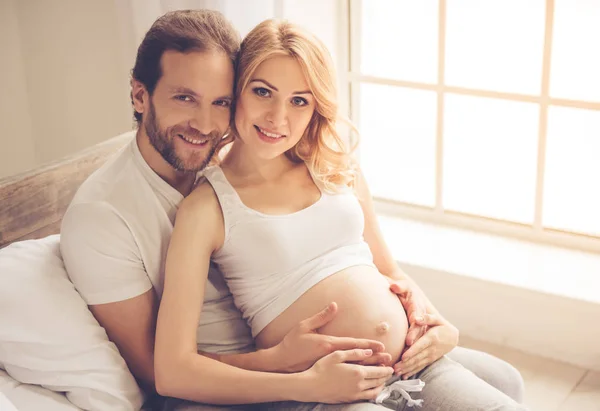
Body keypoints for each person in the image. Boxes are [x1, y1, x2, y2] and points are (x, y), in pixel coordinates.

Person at [59, 9, 525, 411]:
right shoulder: (172, 210)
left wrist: (439, 324)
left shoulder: (326, 165)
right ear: (140, 96)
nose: (206, 123)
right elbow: (166, 372)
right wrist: (294, 372)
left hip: (398, 361)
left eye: (218, 102)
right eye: (262, 92)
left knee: (504, 390)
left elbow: (389, 271)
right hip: (310, 382)